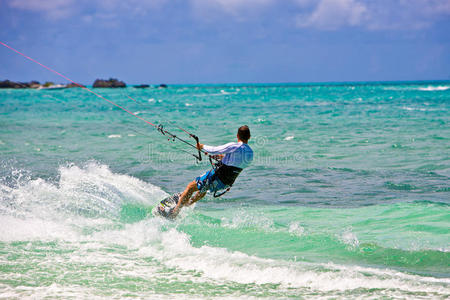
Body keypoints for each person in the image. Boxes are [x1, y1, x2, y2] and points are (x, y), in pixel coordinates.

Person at [171, 125, 253, 217]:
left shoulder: (234, 146)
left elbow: (215, 150)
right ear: (249, 137)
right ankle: (188, 203)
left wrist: (201, 146)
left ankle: (175, 212)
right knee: (203, 189)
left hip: (217, 177)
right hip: (225, 183)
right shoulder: (250, 153)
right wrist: (222, 158)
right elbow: (236, 163)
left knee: (190, 187)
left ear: (237, 135)